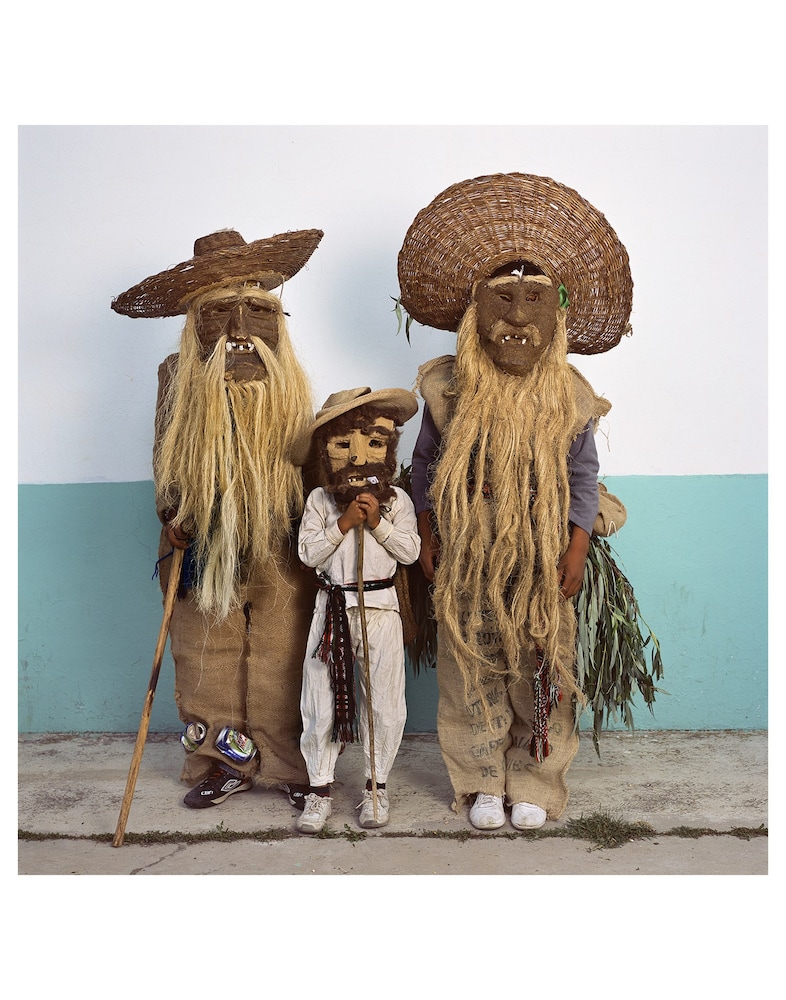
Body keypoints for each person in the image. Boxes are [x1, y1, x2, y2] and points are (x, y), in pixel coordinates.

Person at [397, 172, 633, 830]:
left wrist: (578, 543)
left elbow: (582, 474)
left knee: (542, 667)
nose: (518, 317)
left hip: (542, 556)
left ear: (558, 311)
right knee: (470, 666)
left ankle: (536, 778)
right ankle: (480, 780)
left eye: (535, 299)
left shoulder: (570, 395)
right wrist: (426, 530)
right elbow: (423, 464)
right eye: (501, 299)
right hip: (468, 556)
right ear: (474, 311)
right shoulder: (448, 389)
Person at [111, 227, 323, 810]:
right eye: (218, 312)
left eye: (256, 310)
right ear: (193, 320)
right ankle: (221, 762)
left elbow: (307, 457)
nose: (239, 326)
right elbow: (165, 451)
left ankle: (289, 764)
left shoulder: (289, 380)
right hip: (201, 536)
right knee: (205, 650)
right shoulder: (178, 375)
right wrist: (172, 509)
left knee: (284, 648)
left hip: (281, 536)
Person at [290, 387, 421, 832]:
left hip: (380, 610)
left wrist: (377, 523)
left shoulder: (398, 502)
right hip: (332, 612)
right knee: (319, 702)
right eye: (344, 445)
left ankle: (376, 789)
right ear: (327, 450)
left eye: (372, 443)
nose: (358, 456)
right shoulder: (319, 502)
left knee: (383, 704)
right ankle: (319, 790)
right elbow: (308, 555)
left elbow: (409, 552)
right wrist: (344, 523)